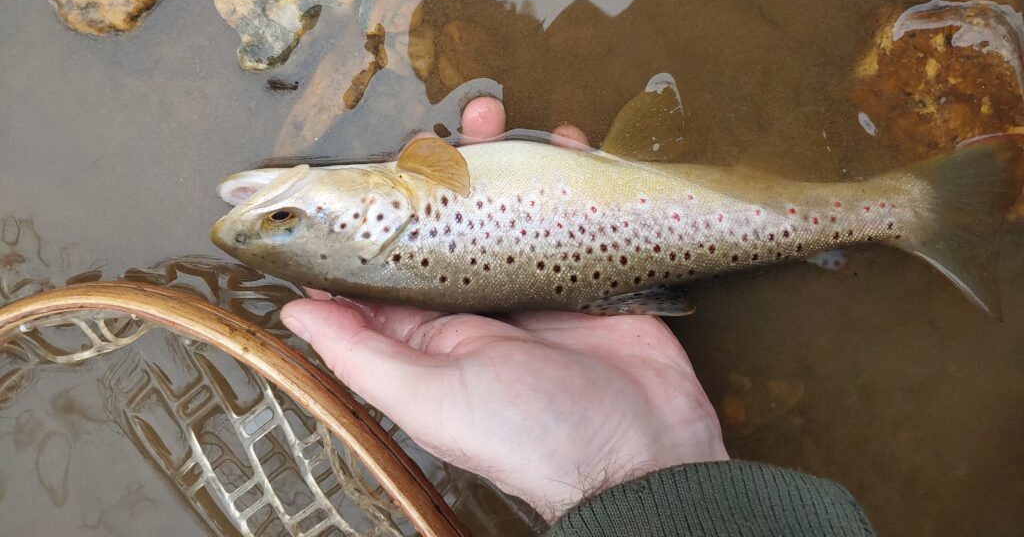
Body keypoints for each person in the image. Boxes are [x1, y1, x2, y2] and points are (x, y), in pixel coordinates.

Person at [280, 97, 874, 536]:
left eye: (285, 223)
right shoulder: (411, 187)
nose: (285, 217)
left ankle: (865, 219)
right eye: (285, 223)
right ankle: (875, 214)